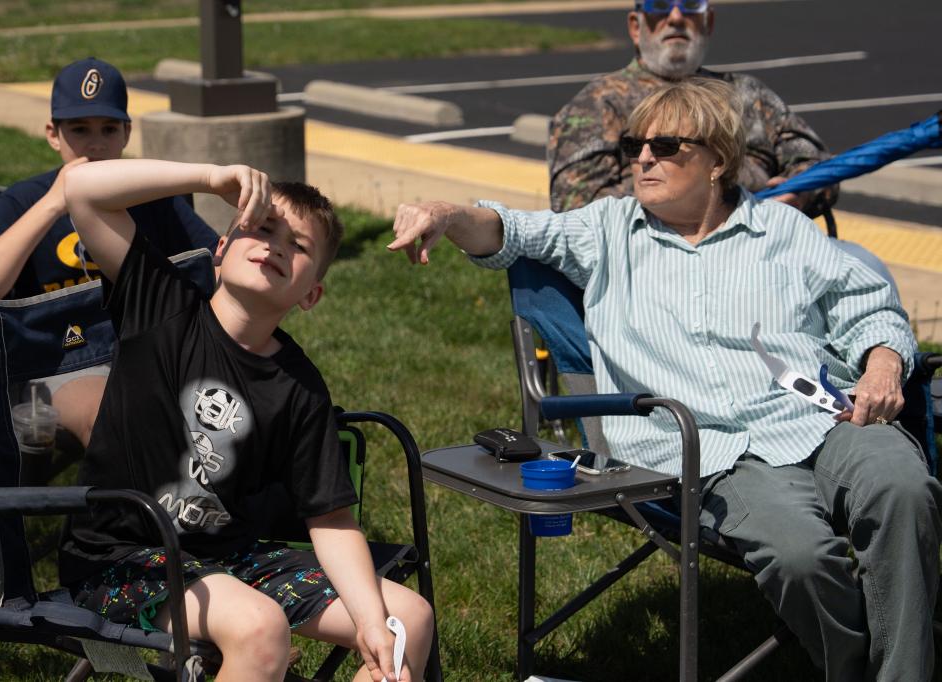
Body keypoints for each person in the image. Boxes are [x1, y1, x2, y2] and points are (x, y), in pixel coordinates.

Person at [391, 78, 941, 680]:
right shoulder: (608, 231)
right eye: (635, 146)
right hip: (710, 450)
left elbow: (868, 304)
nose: (642, 159)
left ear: (717, 163)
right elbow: (511, 231)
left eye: (666, 145)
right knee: (799, 556)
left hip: (824, 416)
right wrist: (444, 214)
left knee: (904, 488)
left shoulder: (783, 232)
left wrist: (883, 363)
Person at [59, 158, 434, 681]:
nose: (277, 245)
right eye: (262, 229)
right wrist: (209, 179)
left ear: (311, 295)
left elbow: (330, 519)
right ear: (219, 251)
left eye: (298, 246)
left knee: (406, 621)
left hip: (233, 557)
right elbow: (80, 188)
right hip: (121, 560)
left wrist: (372, 622)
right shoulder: (161, 305)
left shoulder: (299, 386)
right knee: (260, 626)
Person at [0, 57, 218, 448]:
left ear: (127, 133)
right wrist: (54, 204)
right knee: (110, 413)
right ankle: (120, 508)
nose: (96, 144)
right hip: (56, 360)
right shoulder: (24, 201)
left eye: (109, 129)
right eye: (79, 129)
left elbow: (215, 265)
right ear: (53, 134)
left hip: (143, 352)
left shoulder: (154, 201)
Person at [548, 0, 835, 215]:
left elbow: (819, 165)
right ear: (636, 27)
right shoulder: (598, 103)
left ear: (708, 22)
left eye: (690, 5)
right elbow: (575, 206)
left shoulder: (748, 94)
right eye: (659, 5)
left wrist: (796, 195)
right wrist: (712, 204)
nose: (676, 17)